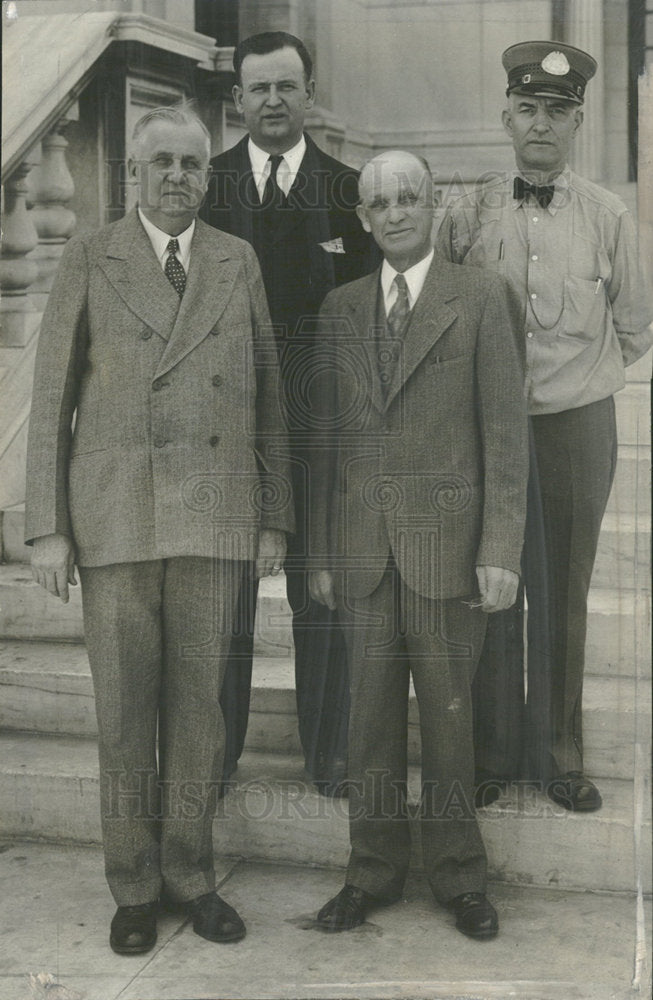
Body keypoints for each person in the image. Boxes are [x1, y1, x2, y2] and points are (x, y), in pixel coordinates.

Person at [24, 106, 293, 955]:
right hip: (116, 518)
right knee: (124, 715)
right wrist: (47, 528)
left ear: (207, 175)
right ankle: (134, 886)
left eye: (190, 162)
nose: (177, 175)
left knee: (198, 715)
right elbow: (51, 396)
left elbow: (267, 392)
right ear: (133, 173)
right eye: (161, 162)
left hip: (213, 518)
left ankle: (191, 876)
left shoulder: (235, 259)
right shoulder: (88, 254)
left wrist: (274, 514)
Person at [308, 151, 528, 938]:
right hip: (364, 554)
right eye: (380, 202)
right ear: (363, 218)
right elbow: (327, 441)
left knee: (448, 723)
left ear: (431, 205)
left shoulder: (480, 297)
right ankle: (369, 872)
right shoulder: (339, 307)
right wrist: (322, 553)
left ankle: (459, 877)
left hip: (449, 551)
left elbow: (504, 434)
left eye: (408, 197)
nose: (395, 212)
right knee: (366, 723)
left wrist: (500, 547)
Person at [436, 41, 653, 812]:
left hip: (574, 428)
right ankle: (493, 753)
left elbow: (633, 325)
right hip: (490, 432)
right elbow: (443, 312)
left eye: (556, 112)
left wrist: (576, 379)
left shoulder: (607, 215)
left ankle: (557, 754)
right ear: (505, 117)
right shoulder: (466, 213)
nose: (540, 124)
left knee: (562, 592)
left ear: (577, 124)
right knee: (493, 585)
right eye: (526, 108)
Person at [200, 31, 376, 796]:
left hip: (319, 431)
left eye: (286, 86)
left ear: (309, 92)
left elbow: (372, 322)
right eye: (258, 88)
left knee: (322, 595)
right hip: (226, 432)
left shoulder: (351, 190)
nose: (272, 101)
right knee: (223, 603)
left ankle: (329, 754)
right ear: (236, 98)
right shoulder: (204, 186)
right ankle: (214, 754)